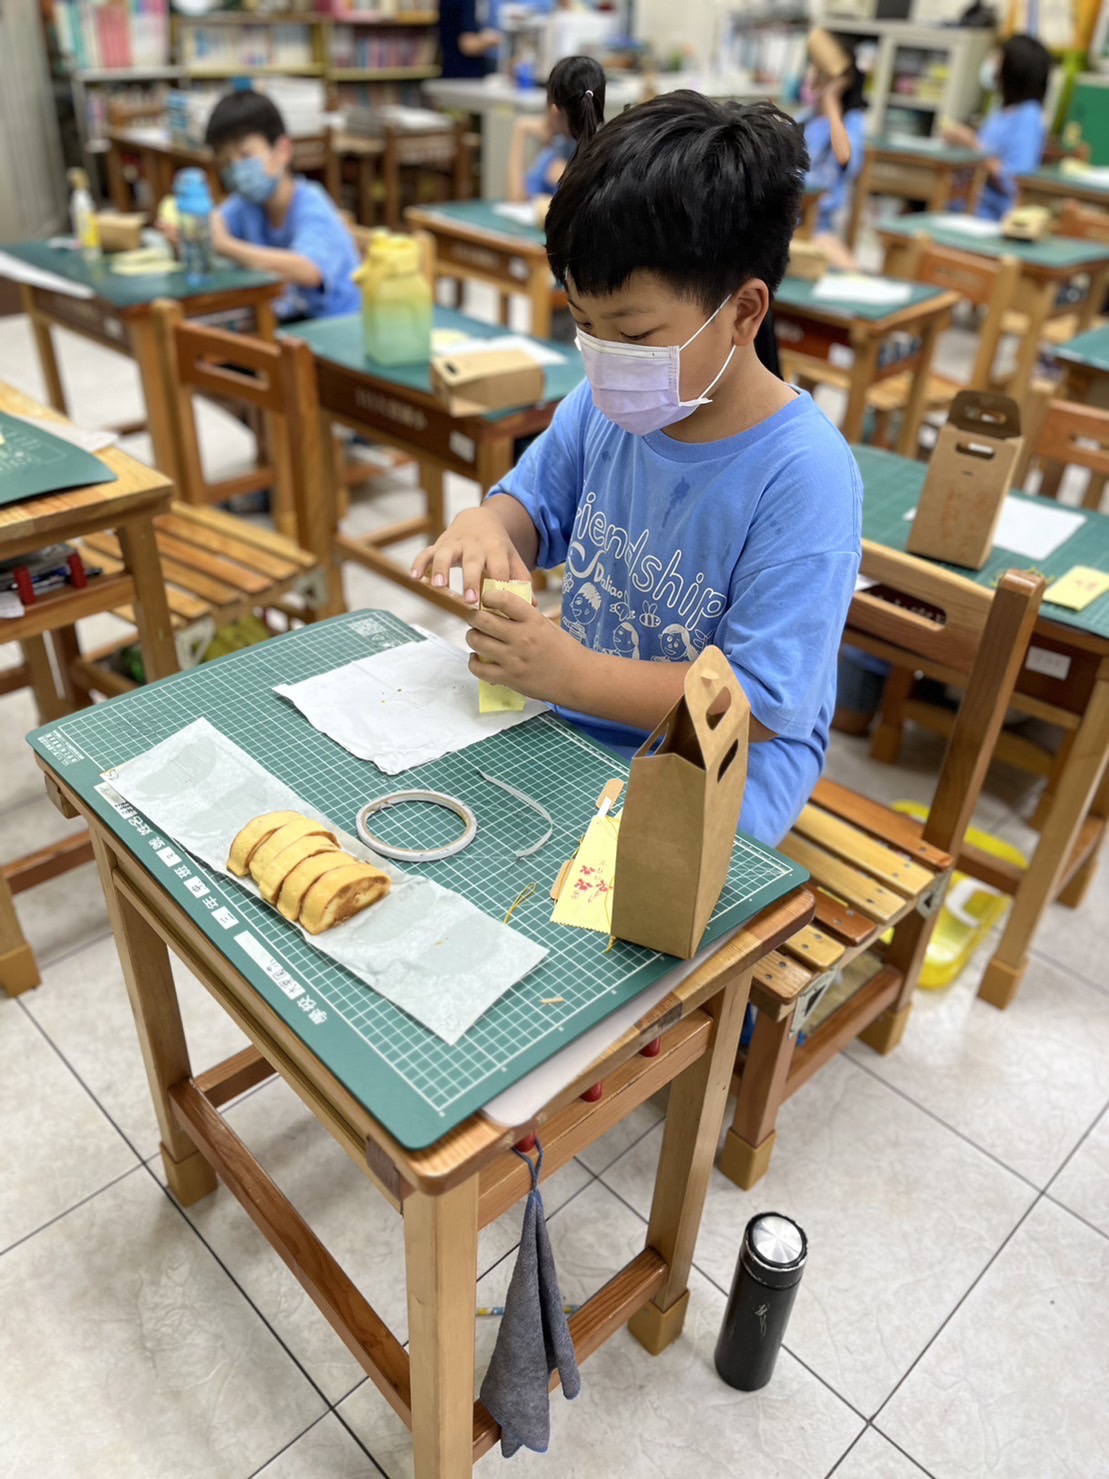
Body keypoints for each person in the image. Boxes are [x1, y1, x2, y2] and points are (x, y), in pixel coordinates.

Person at [412, 93, 862, 845]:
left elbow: (754, 703)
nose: (602, 356)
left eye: (633, 331)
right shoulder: (603, 406)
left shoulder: (803, 474)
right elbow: (533, 508)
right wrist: (487, 523)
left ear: (744, 312)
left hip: (717, 759)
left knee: (614, 909)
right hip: (583, 710)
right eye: (582, 325)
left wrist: (569, 673)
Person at [204, 89, 360, 322]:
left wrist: (227, 246)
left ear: (282, 151)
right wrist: (193, 229)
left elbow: (309, 271)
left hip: (336, 332)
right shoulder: (247, 203)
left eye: (245, 155)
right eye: (226, 162)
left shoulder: (312, 203)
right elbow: (216, 221)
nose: (236, 169)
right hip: (288, 329)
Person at [943, 34, 1050, 221]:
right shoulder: (1001, 110)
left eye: (999, 59)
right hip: (963, 203)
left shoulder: (1028, 117)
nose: (994, 65)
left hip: (990, 214)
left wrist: (974, 147)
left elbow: (1013, 183)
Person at [800, 35, 868, 270]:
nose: (817, 77)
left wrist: (831, 102)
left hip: (819, 225)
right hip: (785, 220)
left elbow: (845, 157)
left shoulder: (851, 122)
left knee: (852, 274)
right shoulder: (803, 120)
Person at [507, 55, 606, 204]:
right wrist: (520, 131)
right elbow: (517, 200)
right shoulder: (559, 146)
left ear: (554, 111)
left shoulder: (594, 161)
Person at [438, 0, 501, 80]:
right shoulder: (467, 2)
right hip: (466, 75)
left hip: (450, 70)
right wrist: (496, 39)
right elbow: (468, 45)